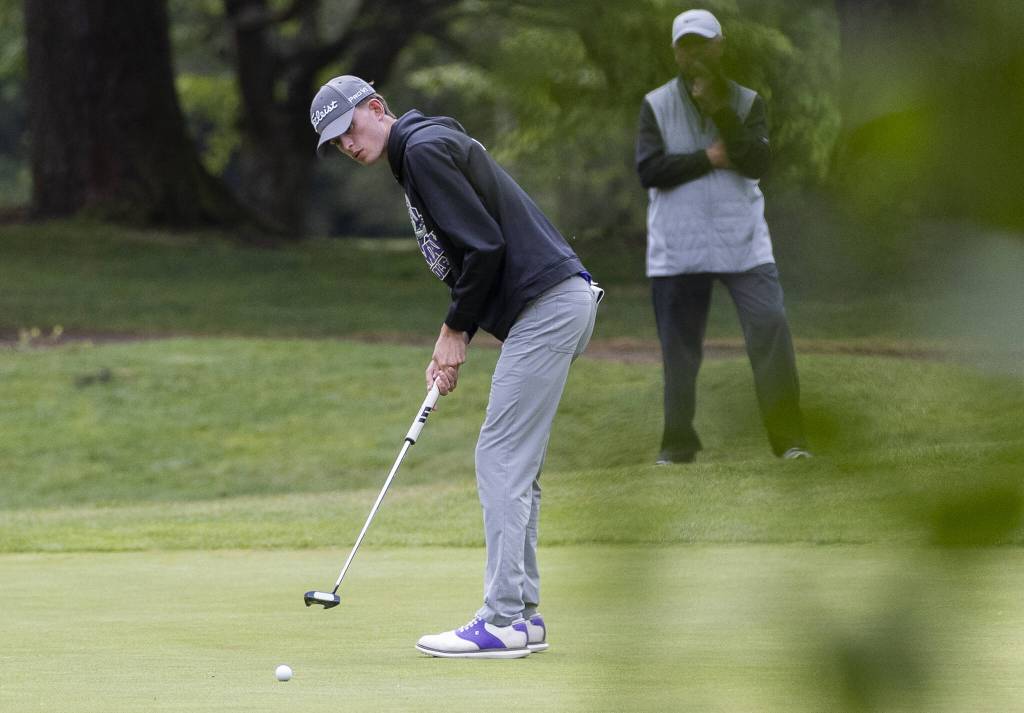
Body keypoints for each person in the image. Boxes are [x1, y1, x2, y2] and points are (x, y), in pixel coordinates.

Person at [310, 75, 602, 658]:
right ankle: (522, 617)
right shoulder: (422, 149)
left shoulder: (418, 150)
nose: (346, 144)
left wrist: (455, 329)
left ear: (376, 108)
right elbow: (481, 249)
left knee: (500, 457)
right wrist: (457, 335)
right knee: (517, 465)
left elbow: (484, 248)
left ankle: (500, 621)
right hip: (553, 306)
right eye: (334, 141)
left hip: (548, 306)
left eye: (348, 128)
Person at [636, 9, 811, 464]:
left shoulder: (749, 102)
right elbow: (649, 170)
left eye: (701, 42)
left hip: (744, 243)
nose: (693, 52)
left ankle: (790, 443)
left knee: (771, 330)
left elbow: (757, 162)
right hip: (678, 248)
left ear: (720, 45)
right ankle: (677, 447)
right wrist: (708, 158)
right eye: (685, 44)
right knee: (680, 352)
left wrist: (719, 112)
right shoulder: (655, 104)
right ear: (675, 51)